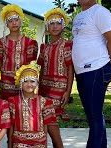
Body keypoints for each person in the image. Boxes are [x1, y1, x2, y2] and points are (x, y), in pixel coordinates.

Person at [72, 0, 111, 148]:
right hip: (83, 73)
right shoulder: (79, 17)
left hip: (96, 70)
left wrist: (103, 60)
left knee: (94, 117)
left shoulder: (100, 12)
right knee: (95, 116)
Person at [37, 8, 74, 148]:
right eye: (51, 23)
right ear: (47, 26)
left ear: (63, 26)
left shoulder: (67, 45)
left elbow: (70, 68)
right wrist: (38, 91)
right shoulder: (44, 47)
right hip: (44, 90)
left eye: (58, 23)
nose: (55, 26)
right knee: (45, 123)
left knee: (52, 123)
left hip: (59, 89)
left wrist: (68, 91)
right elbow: (41, 69)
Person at [0, 4, 38, 100]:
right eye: (10, 21)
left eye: (16, 20)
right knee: (6, 108)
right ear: (6, 24)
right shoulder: (0, 43)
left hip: (24, 81)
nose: (14, 23)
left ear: (21, 21)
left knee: (23, 106)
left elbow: (29, 64)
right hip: (6, 83)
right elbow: (0, 63)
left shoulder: (29, 42)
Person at [8, 62, 57, 147]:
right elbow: (11, 125)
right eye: (25, 81)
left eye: (32, 81)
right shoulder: (13, 101)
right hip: (19, 142)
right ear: (20, 83)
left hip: (39, 142)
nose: (29, 84)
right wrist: (10, 145)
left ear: (37, 83)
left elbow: (45, 125)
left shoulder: (44, 102)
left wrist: (44, 145)